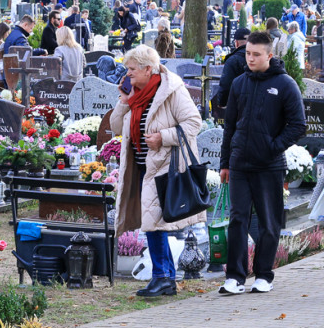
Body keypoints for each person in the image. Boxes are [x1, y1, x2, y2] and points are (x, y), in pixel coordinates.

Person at [110, 45, 202, 298]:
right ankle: (166, 279)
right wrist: (123, 101)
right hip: (140, 167)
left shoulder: (171, 91)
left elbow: (194, 122)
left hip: (163, 167)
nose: (127, 74)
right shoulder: (135, 94)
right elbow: (116, 127)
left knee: (153, 225)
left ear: (147, 69)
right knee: (154, 223)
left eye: (131, 69)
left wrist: (163, 137)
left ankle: (162, 277)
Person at [219, 32, 306, 294]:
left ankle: (264, 275)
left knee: (269, 222)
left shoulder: (285, 84)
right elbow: (229, 125)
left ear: (269, 55)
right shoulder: (239, 83)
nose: (250, 58)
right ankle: (234, 276)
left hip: (269, 165)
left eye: (256, 54)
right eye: (248, 53)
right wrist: (225, 162)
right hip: (240, 163)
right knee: (237, 219)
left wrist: (273, 146)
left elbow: (298, 125)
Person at [211, 26, 249, 115]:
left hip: (237, 104)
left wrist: (222, 102)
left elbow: (226, 83)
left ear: (236, 42)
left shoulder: (233, 60)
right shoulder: (259, 58)